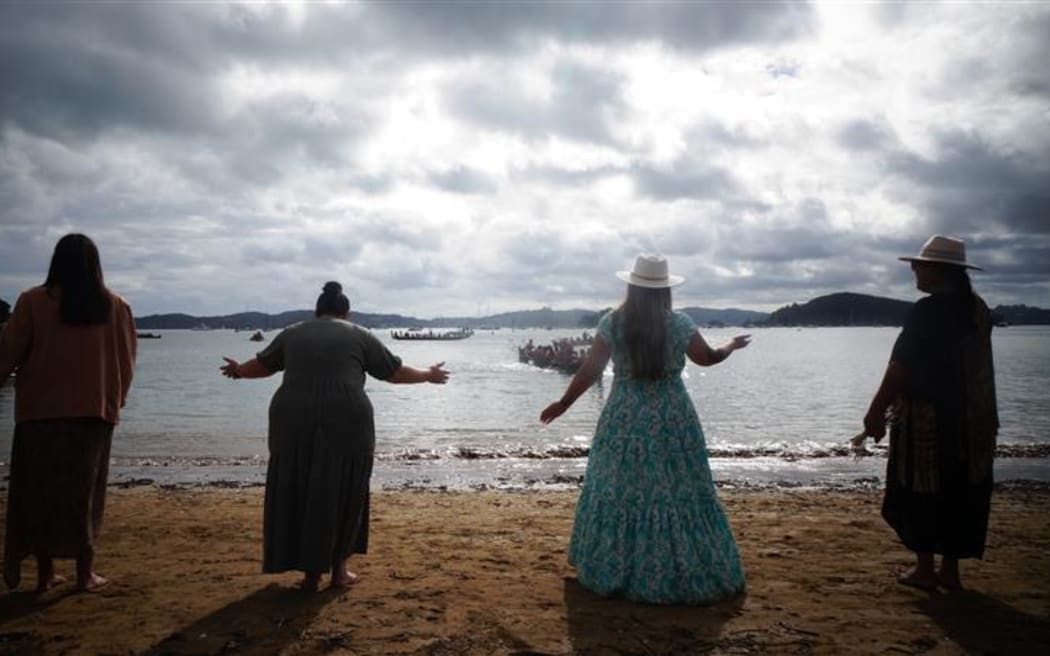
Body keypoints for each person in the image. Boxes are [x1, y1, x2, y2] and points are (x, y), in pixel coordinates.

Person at [540, 254, 750, 604]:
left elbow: (590, 370)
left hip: (624, 416)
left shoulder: (613, 323)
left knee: (621, 490)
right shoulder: (680, 323)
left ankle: (616, 568)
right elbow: (709, 358)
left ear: (631, 286)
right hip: (672, 417)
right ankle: (676, 568)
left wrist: (564, 403)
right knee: (676, 489)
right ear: (665, 290)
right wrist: (731, 344)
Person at [220, 281, 449, 592]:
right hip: (347, 418)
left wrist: (238, 371)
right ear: (347, 313)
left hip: (291, 420)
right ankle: (339, 571)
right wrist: (428, 375)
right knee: (343, 488)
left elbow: (261, 366)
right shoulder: (360, 335)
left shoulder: (293, 332)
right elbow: (393, 372)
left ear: (317, 312)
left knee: (299, 488)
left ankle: (311, 576)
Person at [0, 234, 137, 592]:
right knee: (86, 494)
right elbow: (126, 361)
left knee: (39, 493)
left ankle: (45, 576)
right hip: (93, 414)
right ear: (96, 266)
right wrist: (115, 402)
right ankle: (84, 574)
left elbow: (8, 353)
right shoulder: (116, 306)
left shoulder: (32, 302)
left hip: (39, 414)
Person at [864, 235, 998, 592]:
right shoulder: (977, 309)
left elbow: (901, 366)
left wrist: (875, 410)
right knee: (958, 491)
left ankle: (925, 569)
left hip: (928, 418)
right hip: (971, 422)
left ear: (938, 270)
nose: (913, 271)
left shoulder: (928, 311)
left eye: (918, 265)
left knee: (918, 489)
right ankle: (950, 572)